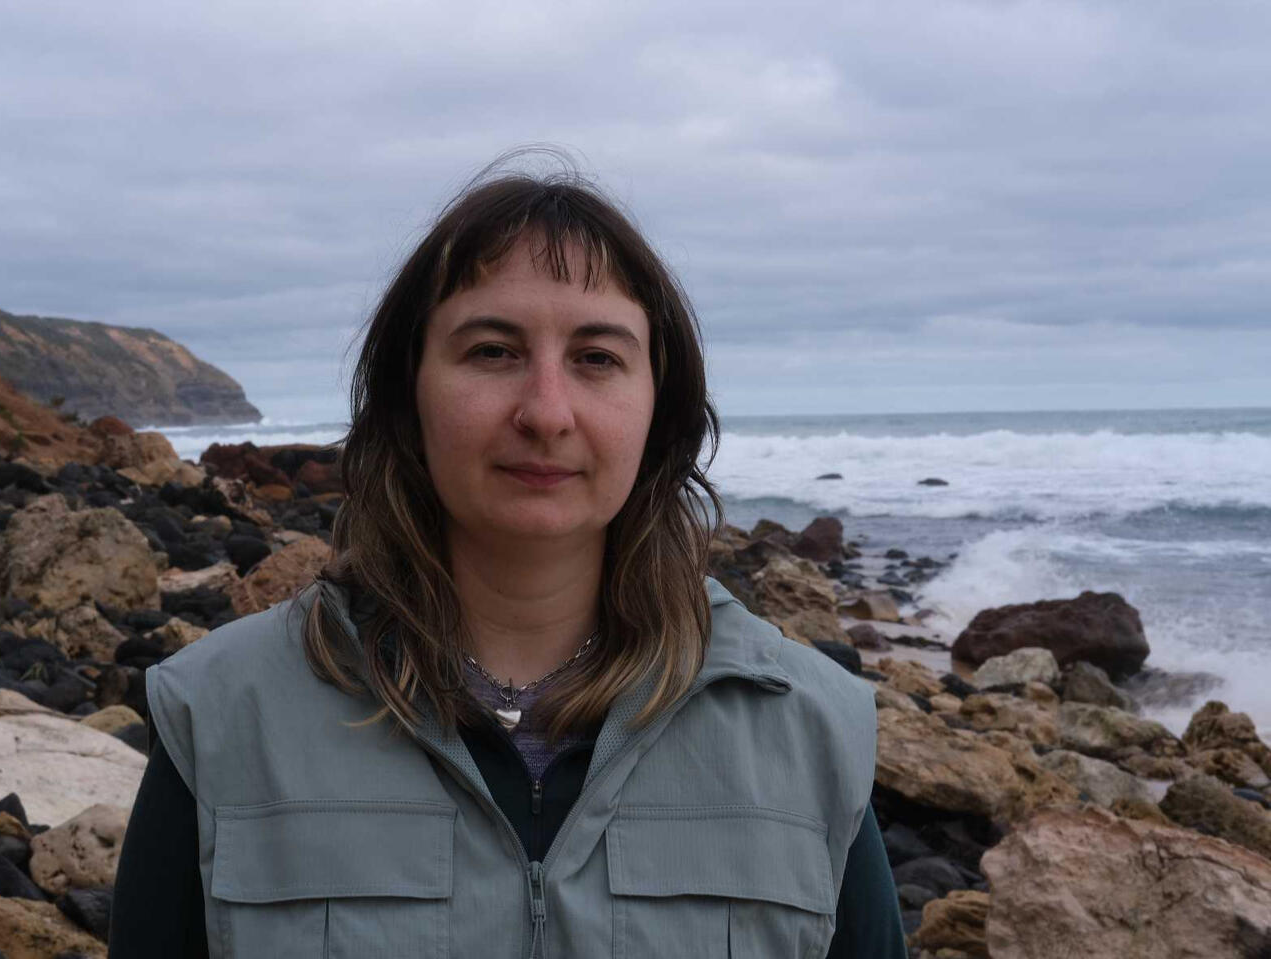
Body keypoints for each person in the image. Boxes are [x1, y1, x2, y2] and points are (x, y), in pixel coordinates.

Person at [109, 161, 906, 958]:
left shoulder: (811, 730)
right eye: (493, 351)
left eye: (597, 357)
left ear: (659, 409)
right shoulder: (220, 717)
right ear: (405, 396)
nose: (546, 412)